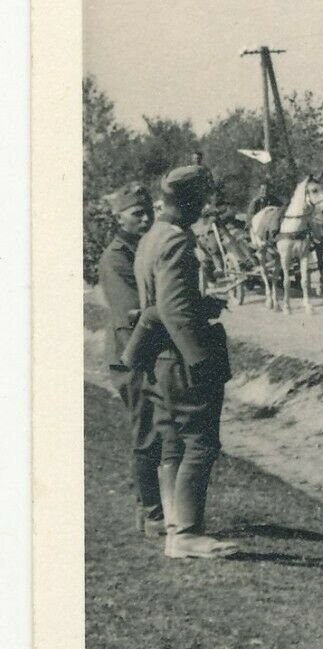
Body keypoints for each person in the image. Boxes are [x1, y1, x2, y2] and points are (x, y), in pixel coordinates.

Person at [134, 165, 237, 559]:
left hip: (160, 356)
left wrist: (201, 303)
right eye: (201, 202)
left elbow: (160, 302)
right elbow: (174, 310)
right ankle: (188, 533)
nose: (203, 210)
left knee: (174, 442)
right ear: (189, 201)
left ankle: (176, 531)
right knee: (200, 443)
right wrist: (200, 359)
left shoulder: (151, 236)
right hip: (181, 359)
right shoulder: (176, 241)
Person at [98, 183, 165, 538]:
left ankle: (155, 507)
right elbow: (132, 315)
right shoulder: (115, 257)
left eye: (147, 212)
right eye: (136, 214)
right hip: (132, 356)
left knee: (162, 431)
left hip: (149, 352)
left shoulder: (144, 249)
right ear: (119, 217)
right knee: (147, 433)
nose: (145, 218)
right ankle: (152, 514)